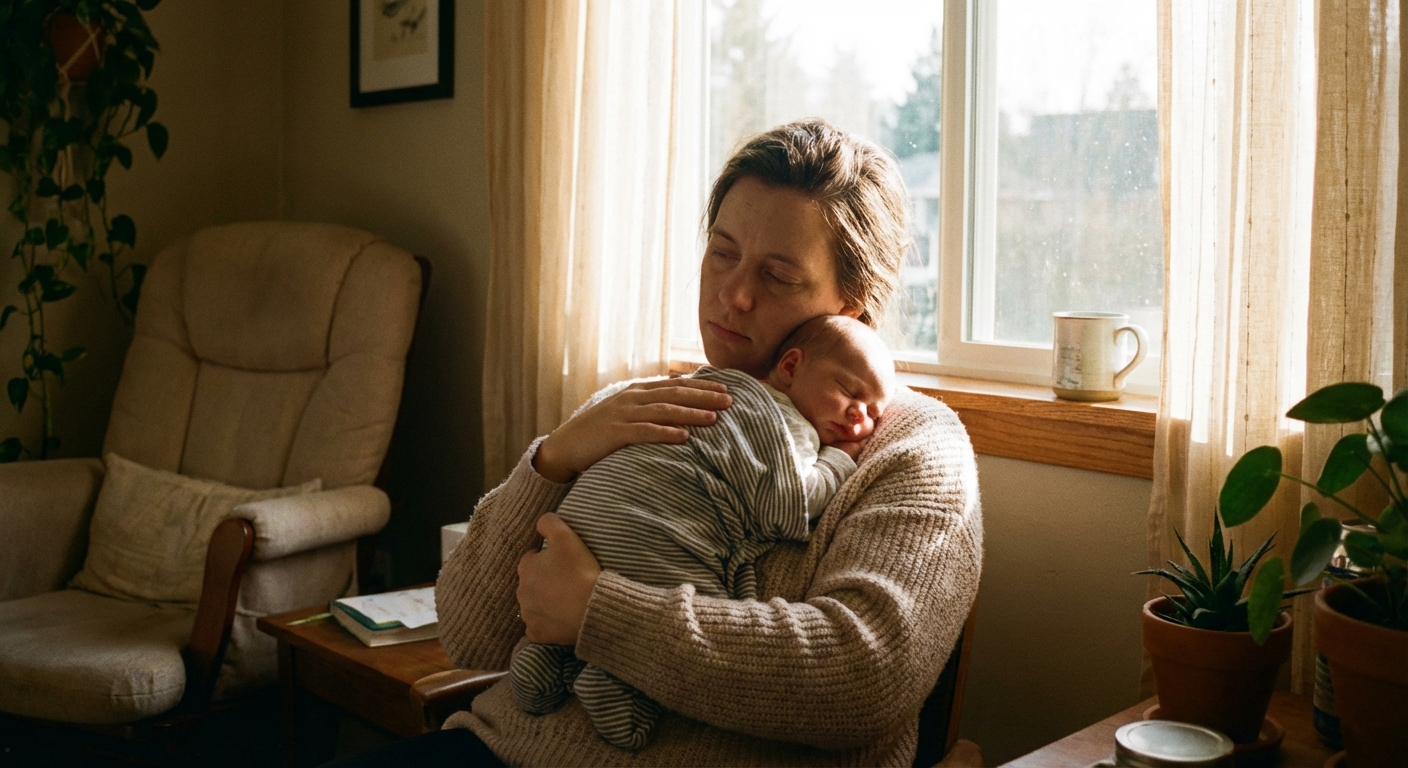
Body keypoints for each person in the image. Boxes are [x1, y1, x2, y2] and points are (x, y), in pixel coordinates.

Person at [330, 119, 982, 767]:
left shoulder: (911, 449)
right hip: (499, 751)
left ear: (853, 304)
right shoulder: (634, 407)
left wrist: (599, 612)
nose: (732, 295)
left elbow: (861, 681)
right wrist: (552, 460)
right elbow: (469, 638)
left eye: (778, 276)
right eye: (721, 252)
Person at [509, 316, 897, 752]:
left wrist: (591, 609)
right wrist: (840, 460)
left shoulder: (690, 390)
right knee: (695, 583)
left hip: (584, 526)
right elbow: (791, 506)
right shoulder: (786, 424)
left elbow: (864, 678)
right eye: (849, 392)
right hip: (657, 540)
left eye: (874, 413)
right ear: (790, 368)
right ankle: (614, 686)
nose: (860, 416)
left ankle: (543, 660)